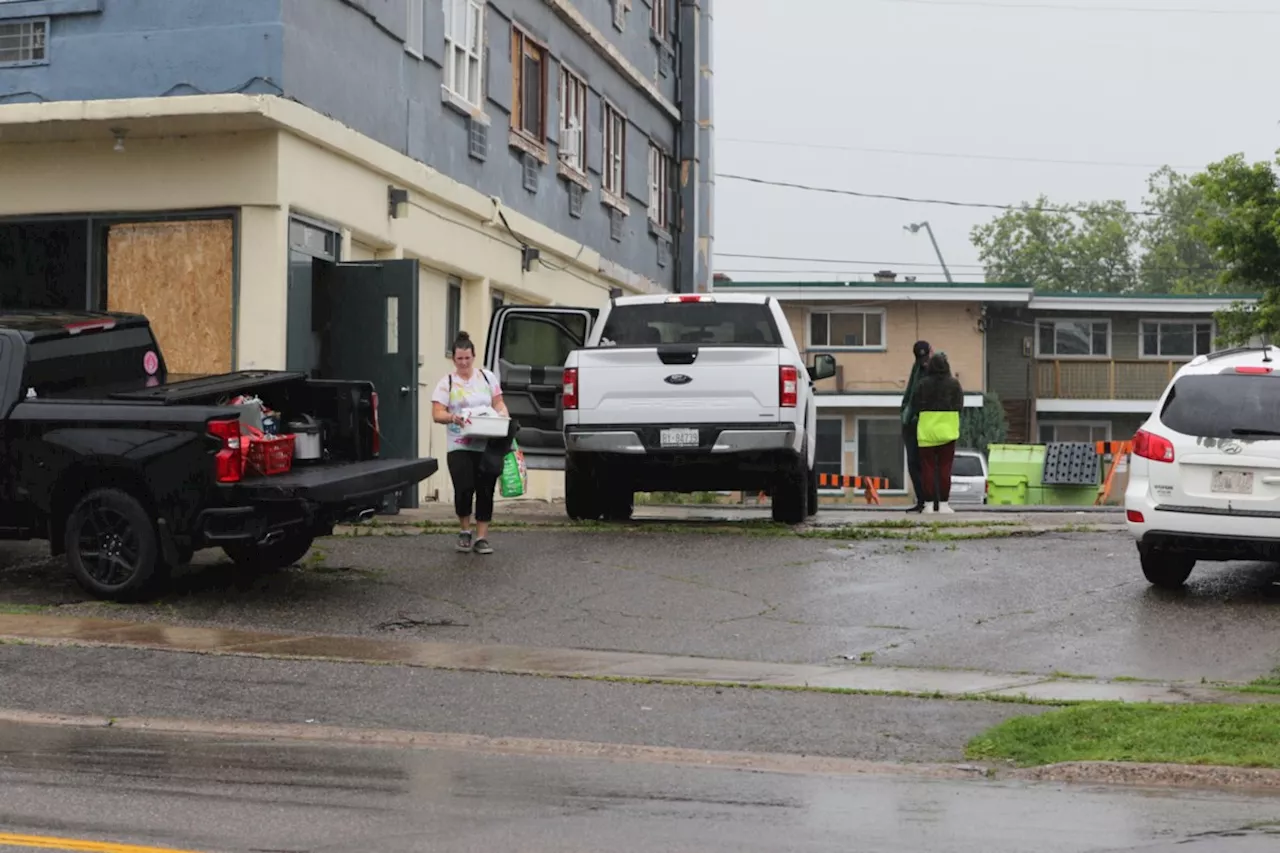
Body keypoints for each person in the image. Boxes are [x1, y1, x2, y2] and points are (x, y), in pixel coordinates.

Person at [431, 331, 510, 554]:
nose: (464, 363)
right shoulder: (446, 383)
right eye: (459, 359)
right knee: (464, 487)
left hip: (486, 442)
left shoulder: (487, 378)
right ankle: (465, 530)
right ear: (453, 359)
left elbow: (499, 403)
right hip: (459, 443)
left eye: (467, 358)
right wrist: (453, 417)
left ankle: (482, 537)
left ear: (474, 357)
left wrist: (503, 416)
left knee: (486, 489)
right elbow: (437, 413)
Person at [914, 351, 964, 514]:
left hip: (927, 431)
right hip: (947, 430)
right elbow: (959, 405)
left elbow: (915, 405)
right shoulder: (954, 384)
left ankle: (928, 505)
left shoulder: (923, 384)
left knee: (927, 467)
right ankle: (943, 504)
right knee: (944, 467)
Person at [900, 340, 932, 513]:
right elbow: (910, 392)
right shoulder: (917, 368)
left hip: (923, 422)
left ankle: (927, 501)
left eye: (925, 356)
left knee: (922, 463)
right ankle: (923, 501)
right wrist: (905, 412)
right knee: (914, 463)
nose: (923, 360)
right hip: (912, 422)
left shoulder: (930, 370)